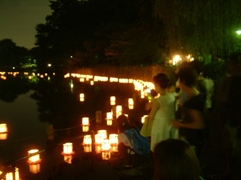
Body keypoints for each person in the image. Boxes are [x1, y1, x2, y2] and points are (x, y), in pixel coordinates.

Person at [171, 65, 205, 158]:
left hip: (193, 140)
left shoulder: (195, 100)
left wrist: (180, 124)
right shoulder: (190, 94)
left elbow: (199, 124)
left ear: (183, 81)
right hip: (189, 138)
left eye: (179, 80)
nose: (178, 83)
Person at [148, 73, 178, 151]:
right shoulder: (172, 97)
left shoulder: (158, 101)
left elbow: (151, 116)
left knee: (159, 148)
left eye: (155, 86)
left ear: (157, 85)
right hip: (170, 125)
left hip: (160, 127)